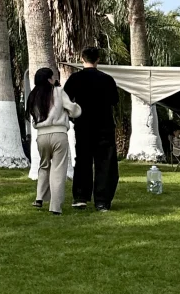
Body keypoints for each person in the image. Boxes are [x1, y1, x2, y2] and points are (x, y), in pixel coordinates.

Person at [64, 45, 121, 211]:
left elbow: (66, 99)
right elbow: (114, 101)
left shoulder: (75, 79)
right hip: (104, 126)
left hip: (83, 126)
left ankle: (80, 197)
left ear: (82, 58)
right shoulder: (107, 79)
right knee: (105, 163)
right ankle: (102, 201)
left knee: (82, 161)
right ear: (98, 59)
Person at [29, 67, 82, 215]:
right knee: (58, 169)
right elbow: (73, 109)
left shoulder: (33, 95)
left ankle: (39, 197)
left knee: (44, 165)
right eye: (52, 77)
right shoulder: (58, 91)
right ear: (49, 79)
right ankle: (55, 207)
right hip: (59, 134)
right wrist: (73, 109)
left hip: (41, 135)